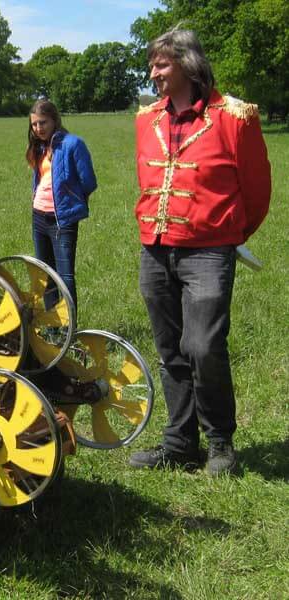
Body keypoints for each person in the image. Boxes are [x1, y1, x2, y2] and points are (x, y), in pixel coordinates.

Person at [127, 29, 271, 475]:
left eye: (161, 65)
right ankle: (179, 442)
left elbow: (257, 189)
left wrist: (224, 233)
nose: (153, 73)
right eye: (152, 65)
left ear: (188, 65)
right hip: (155, 248)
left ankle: (220, 442)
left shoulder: (234, 117)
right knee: (170, 348)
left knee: (204, 345)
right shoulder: (146, 118)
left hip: (209, 251)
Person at [25, 100, 96, 313]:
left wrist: (71, 201)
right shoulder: (39, 146)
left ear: (55, 120)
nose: (38, 128)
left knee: (65, 276)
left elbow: (89, 182)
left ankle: (68, 328)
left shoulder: (73, 144)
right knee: (45, 274)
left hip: (62, 220)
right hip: (38, 218)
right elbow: (41, 177)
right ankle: (52, 325)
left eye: (43, 123)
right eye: (34, 125)